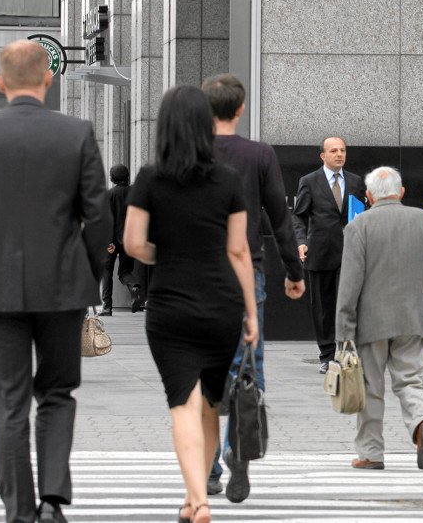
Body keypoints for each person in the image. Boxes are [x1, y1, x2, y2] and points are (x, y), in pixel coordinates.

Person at [0, 40, 112, 523]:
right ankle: (53, 500)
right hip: (62, 287)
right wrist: (87, 276)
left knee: (9, 405)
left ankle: (19, 513)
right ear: (48, 80)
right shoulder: (76, 133)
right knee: (57, 393)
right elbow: (98, 219)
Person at [123, 85, 259, 523]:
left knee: (182, 401)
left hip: (169, 307)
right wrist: (251, 313)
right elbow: (239, 252)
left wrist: (164, 254)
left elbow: (132, 243)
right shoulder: (228, 180)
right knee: (210, 405)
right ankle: (194, 497)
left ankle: (197, 499)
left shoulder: (149, 178)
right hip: (220, 305)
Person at [201, 73, 305, 501]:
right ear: (240, 109)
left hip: (197, 275)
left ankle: (208, 467)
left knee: (202, 369)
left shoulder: (190, 152)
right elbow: (279, 219)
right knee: (248, 366)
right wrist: (294, 274)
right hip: (249, 272)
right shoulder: (259, 154)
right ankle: (238, 449)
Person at [335, 167, 423, 471]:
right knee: (410, 380)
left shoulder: (360, 226)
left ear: (368, 196)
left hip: (370, 323)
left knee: (370, 386)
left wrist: (343, 331)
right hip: (413, 318)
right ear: (402, 192)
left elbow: (349, 284)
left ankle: (371, 453)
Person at [292, 137, 365, 374]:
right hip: (320, 252)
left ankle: (347, 351)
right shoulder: (309, 181)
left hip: (350, 252)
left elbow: (363, 213)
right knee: (322, 307)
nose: (339, 154)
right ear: (322, 155)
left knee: (349, 304)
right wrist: (301, 242)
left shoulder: (355, 181)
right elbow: (299, 216)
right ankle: (327, 355)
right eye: (333, 151)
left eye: (343, 150)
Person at [99, 164, 142, 315]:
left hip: (111, 240)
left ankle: (107, 307)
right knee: (125, 271)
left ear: (111, 178)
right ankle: (134, 286)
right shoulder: (135, 193)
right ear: (128, 176)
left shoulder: (109, 195)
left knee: (106, 271)